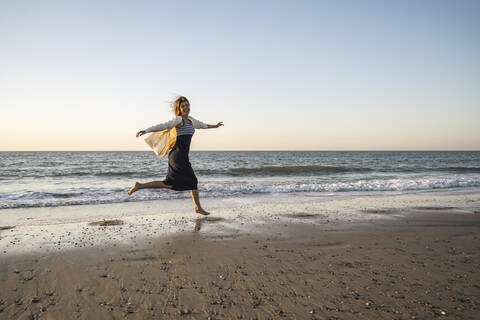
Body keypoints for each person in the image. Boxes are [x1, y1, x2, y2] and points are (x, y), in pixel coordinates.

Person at [127, 96, 223, 215]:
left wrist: (216, 126)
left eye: (187, 105)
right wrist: (146, 130)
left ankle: (140, 185)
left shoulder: (191, 121)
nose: (186, 108)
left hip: (182, 156)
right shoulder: (178, 120)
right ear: (179, 108)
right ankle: (198, 207)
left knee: (173, 183)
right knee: (189, 180)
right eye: (183, 106)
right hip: (177, 157)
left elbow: (203, 125)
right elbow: (164, 125)